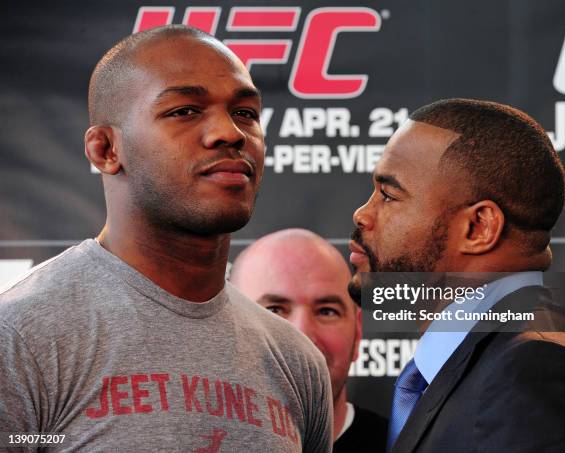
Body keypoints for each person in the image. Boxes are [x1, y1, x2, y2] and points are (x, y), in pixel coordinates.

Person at [0, 26, 332, 452]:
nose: (230, 133)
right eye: (185, 111)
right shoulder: (21, 339)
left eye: (245, 113)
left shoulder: (296, 362)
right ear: (105, 149)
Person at [348, 99, 565, 453]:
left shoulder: (534, 370)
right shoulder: (500, 356)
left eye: (389, 195)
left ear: (478, 228)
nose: (362, 215)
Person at [230, 229, 388, 452]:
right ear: (228, 325)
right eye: (274, 310)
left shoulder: (406, 447)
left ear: (358, 330)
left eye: (326, 311)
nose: (302, 334)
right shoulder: (188, 441)